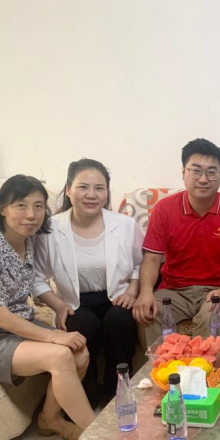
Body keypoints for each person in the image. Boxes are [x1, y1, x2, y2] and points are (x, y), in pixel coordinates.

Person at [0, 175, 94, 440]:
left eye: (38, 206)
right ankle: (101, 439)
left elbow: (35, 282)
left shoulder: (30, 240)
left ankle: (49, 419)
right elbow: (0, 317)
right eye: (21, 205)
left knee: (80, 354)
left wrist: (58, 305)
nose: (31, 215)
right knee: (60, 355)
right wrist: (53, 336)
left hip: (16, 324)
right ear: (3, 207)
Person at [33, 159, 144, 406]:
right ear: (68, 189)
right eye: (83, 187)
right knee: (81, 325)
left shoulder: (125, 225)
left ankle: (119, 394)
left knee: (120, 321)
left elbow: (140, 263)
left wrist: (132, 290)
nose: (91, 195)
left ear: (107, 192)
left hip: (117, 296)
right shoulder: (50, 229)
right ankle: (87, 399)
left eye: (99, 188)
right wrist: (58, 306)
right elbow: (37, 277)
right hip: (74, 301)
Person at [132, 139, 220, 343]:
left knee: (212, 317)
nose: (203, 179)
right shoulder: (164, 209)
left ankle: (207, 365)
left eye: (211, 172)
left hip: (219, 288)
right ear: (183, 172)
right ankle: (160, 364)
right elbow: (152, 258)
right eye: (196, 171)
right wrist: (146, 291)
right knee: (148, 313)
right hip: (174, 290)